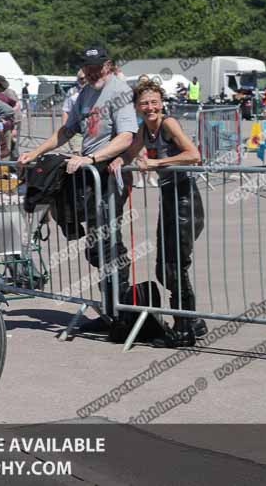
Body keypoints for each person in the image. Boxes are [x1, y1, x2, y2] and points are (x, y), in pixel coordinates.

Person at [19, 45, 137, 327]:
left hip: (105, 174)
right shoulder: (85, 93)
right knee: (97, 246)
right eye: (88, 66)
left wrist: (92, 157)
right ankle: (112, 309)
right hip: (88, 174)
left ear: (108, 65)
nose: (93, 70)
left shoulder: (119, 91)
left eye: (98, 66)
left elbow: (127, 137)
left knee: (108, 244)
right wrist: (35, 153)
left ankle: (120, 312)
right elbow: (67, 130)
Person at [110, 80, 206, 346]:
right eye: (144, 103)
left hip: (184, 199)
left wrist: (157, 162)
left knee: (174, 265)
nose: (149, 107)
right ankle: (194, 321)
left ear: (161, 103)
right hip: (169, 198)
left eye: (153, 102)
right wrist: (120, 160)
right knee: (165, 268)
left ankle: (185, 329)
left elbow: (194, 154)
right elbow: (130, 152)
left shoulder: (168, 124)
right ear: (137, 106)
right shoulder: (144, 128)